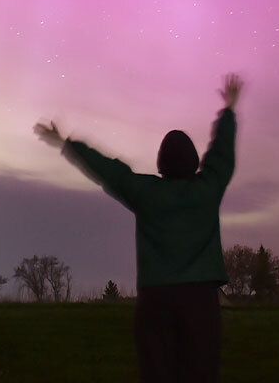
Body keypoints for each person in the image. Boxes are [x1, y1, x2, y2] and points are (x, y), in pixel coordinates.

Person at [33, 73, 243, 383]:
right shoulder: (208, 188)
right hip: (201, 300)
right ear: (194, 161)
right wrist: (228, 110)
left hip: (155, 299)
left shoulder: (147, 193)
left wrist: (68, 144)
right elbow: (221, 154)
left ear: (161, 163)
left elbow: (110, 171)